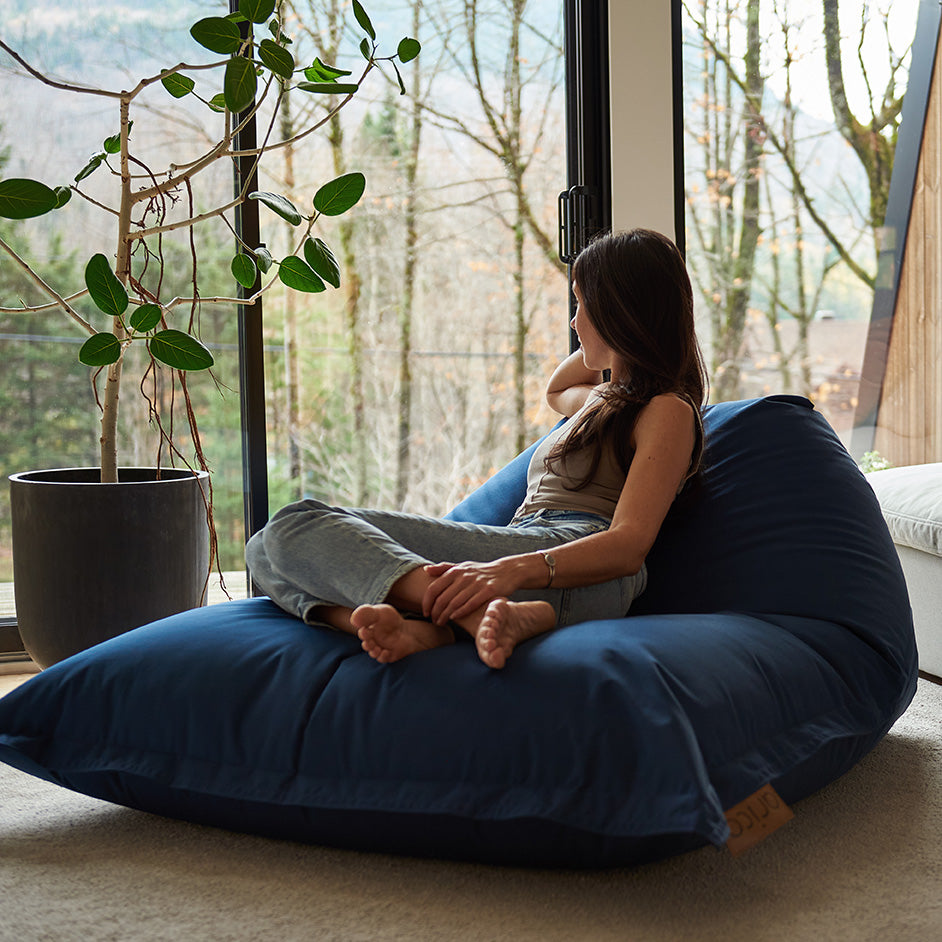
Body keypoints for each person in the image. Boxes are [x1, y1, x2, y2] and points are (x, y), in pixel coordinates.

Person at [246, 228, 707, 669]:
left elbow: (629, 545)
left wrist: (510, 572)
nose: (573, 320)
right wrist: (609, 339)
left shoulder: (667, 409)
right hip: (532, 553)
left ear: (619, 313)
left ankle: (454, 612)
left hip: (578, 565)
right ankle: (436, 625)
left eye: (581, 305)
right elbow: (557, 388)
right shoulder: (603, 401)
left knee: (296, 525)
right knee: (263, 549)